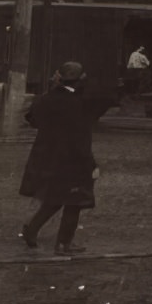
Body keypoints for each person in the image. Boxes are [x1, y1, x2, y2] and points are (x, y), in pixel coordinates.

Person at [18, 61, 99, 254]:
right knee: (74, 201)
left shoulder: (46, 99)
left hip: (49, 158)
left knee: (55, 197)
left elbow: (32, 119)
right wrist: (91, 165)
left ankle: (32, 229)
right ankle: (63, 244)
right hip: (73, 161)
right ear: (79, 81)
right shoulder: (79, 104)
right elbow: (81, 141)